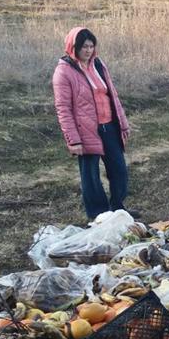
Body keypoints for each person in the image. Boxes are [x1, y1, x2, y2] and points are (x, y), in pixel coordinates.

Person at [52, 27, 132, 221]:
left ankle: (118, 209)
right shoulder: (64, 72)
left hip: (109, 127)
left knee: (119, 171)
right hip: (86, 131)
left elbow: (112, 95)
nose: (88, 50)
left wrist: (123, 123)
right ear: (73, 47)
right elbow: (63, 109)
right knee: (91, 177)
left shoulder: (99, 65)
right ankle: (99, 217)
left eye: (91, 46)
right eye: (83, 47)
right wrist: (73, 140)